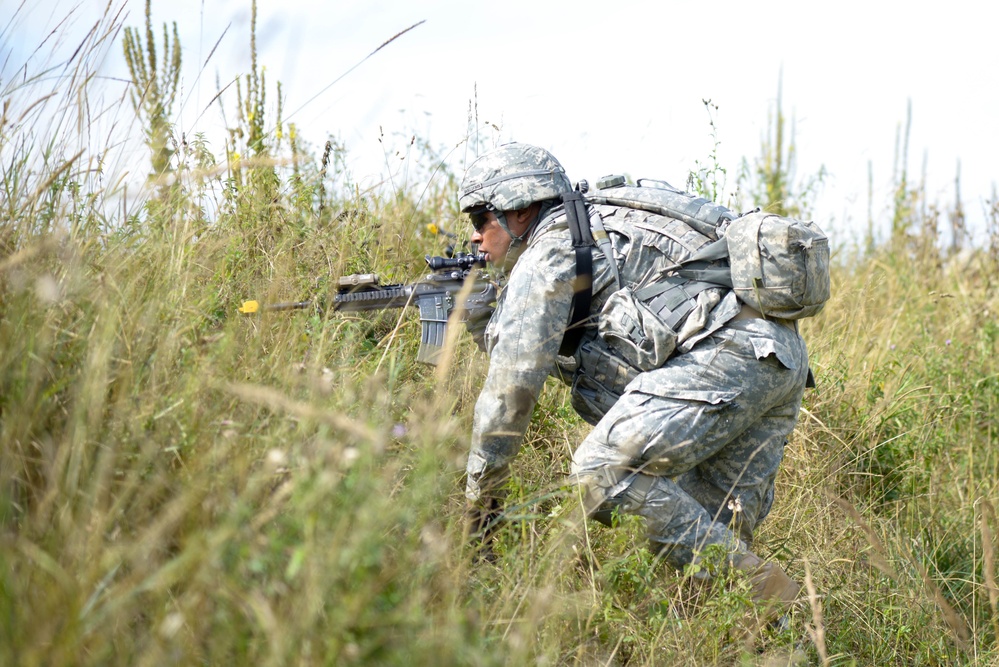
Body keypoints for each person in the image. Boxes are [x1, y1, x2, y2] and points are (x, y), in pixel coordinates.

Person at [458, 142, 809, 609]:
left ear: (520, 211)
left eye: (481, 219)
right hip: (779, 356)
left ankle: (765, 592)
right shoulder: (605, 220)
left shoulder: (550, 252)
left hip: (726, 356)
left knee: (601, 471)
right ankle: (784, 640)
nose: (477, 238)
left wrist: (481, 502)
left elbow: (511, 392)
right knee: (710, 545)